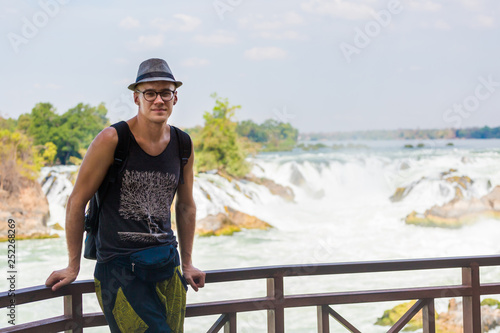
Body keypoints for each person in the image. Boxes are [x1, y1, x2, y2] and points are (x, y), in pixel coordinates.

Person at [46, 58, 205, 332]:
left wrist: (188, 263)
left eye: (165, 92)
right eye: (150, 93)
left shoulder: (183, 144)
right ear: (136, 97)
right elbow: (76, 201)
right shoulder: (112, 139)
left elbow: (186, 207)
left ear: (175, 98)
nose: (158, 100)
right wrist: (73, 266)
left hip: (167, 264)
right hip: (120, 271)